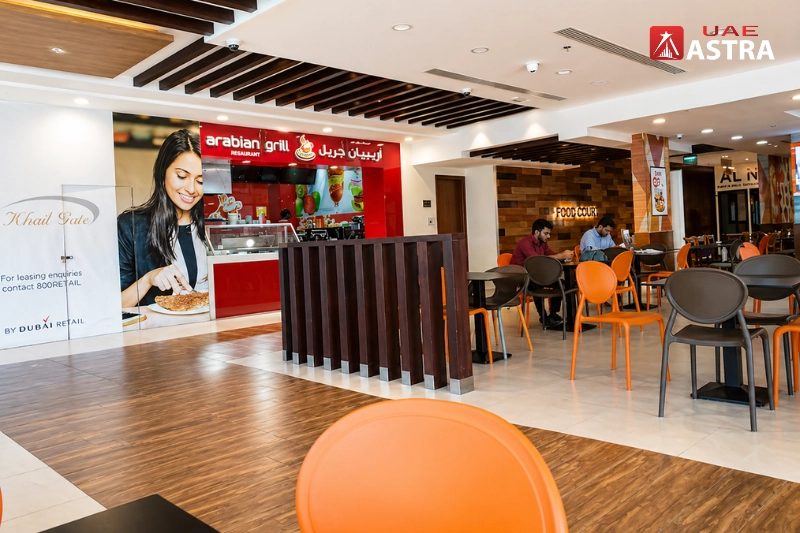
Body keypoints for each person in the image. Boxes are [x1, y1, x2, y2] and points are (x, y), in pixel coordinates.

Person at [118, 129, 208, 307]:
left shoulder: (214, 225)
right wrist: (147, 280)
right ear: (162, 172)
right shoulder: (132, 227)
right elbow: (112, 305)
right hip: (160, 333)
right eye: (182, 176)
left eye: (201, 180)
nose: (191, 189)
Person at [510, 218, 574, 326]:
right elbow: (536, 260)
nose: (548, 236)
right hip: (522, 278)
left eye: (549, 234)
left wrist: (565, 256)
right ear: (536, 232)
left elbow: (552, 255)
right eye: (546, 233)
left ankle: (553, 314)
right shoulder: (525, 243)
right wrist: (560, 256)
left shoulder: (543, 243)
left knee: (561, 284)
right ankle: (543, 317)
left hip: (536, 275)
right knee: (537, 284)